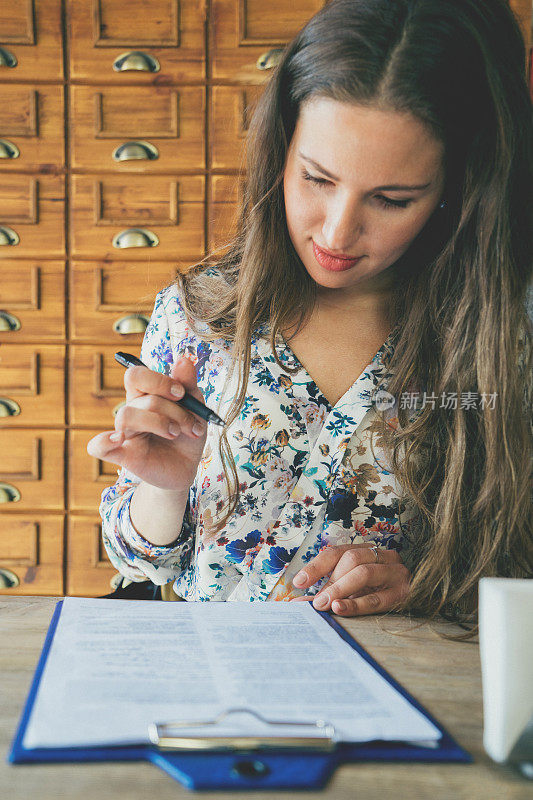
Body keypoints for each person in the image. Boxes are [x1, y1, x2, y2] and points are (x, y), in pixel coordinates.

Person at [87, 0, 532, 634]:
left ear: (456, 189)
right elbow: (140, 562)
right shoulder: (201, 315)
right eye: (317, 178)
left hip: (405, 695)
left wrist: (426, 585)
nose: (337, 231)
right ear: (281, 149)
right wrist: (164, 487)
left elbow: (517, 563)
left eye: (391, 199)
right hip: (214, 692)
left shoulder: (501, 340)